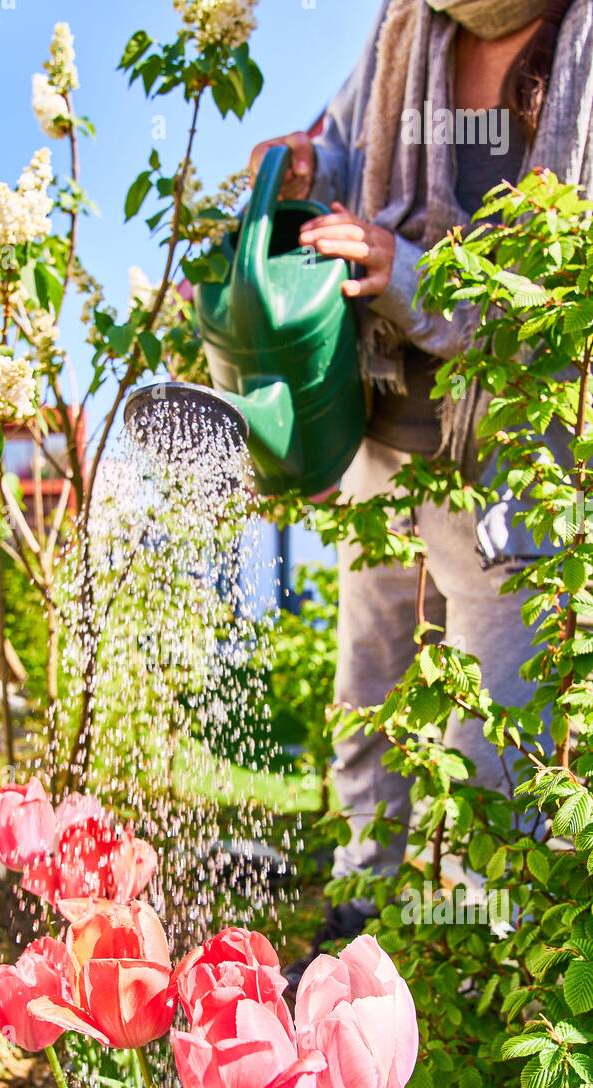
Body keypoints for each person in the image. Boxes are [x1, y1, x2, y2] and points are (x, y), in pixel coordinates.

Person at [248, 0, 593, 972]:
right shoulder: (408, 27)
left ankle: (483, 975)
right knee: (370, 691)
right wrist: (313, 172)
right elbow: (346, 150)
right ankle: (356, 929)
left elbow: (569, 287)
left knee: (493, 730)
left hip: (512, 452)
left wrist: (409, 271)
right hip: (388, 423)